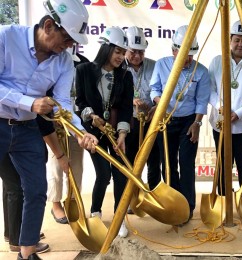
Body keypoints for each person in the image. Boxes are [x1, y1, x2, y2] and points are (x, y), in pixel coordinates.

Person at [0, 0, 98, 259]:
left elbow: (63, 104)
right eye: (66, 40)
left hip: (26, 129)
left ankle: (27, 253)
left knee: (36, 190)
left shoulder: (64, 62)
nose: (68, 47)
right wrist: (29, 102)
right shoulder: (6, 37)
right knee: (16, 189)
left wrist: (81, 132)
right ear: (48, 26)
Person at [75, 26, 133, 238]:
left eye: (122, 52)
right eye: (117, 51)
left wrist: (122, 134)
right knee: (104, 174)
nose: (121, 56)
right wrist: (91, 116)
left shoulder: (126, 77)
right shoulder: (83, 71)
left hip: (117, 132)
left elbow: (127, 107)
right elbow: (79, 102)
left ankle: (119, 219)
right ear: (106, 48)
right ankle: (95, 212)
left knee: (121, 174)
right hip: (93, 133)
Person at [150, 25, 210, 225]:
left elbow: (201, 101)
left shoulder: (201, 71)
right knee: (167, 163)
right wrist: (161, 103)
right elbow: (154, 90)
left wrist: (197, 123)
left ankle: (188, 207)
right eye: (183, 54)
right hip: (165, 120)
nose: (187, 59)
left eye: (191, 55)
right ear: (173, 50)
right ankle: (173, 204)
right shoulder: (161, 65)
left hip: (188, 122)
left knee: (186, 164)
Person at [208, 20, 242, 219]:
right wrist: (221, 108)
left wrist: (239, 113)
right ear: (229, 40)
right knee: (222, 165)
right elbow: (209, 89)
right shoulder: (217, 61)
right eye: (237, 40)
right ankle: (224, 201)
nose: (240, 44)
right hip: (219, 124)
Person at [47, 49, 89, 224]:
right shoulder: (50, 62)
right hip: (54, 121)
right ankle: (56, 204)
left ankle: (72, 201)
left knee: (76, 166)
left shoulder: (83, 62)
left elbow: (85, 94)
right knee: (57, 165)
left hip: (76, 123)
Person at [124, 26, 161, 191]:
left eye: (141, 52)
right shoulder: (118, 67)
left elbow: (163, 90)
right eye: (133, 51)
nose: (137, 56)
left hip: (151, 121)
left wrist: (156, 105)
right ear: (125, 48)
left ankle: (154, 193)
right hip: (130, 122)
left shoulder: (155, 66)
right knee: (131, 159)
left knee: (154, 159)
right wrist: (131, 101)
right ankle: (131, 195)